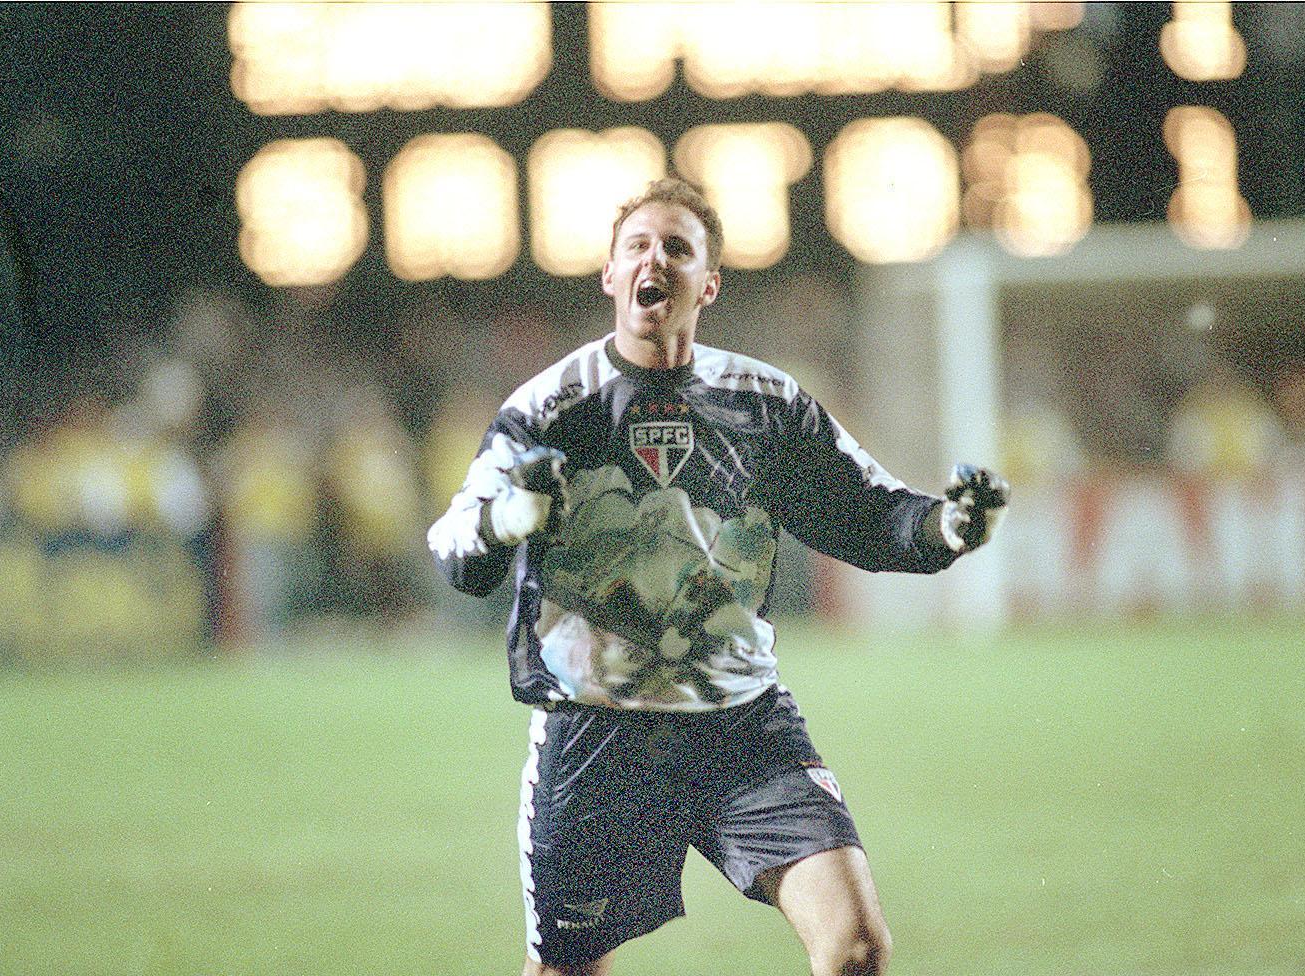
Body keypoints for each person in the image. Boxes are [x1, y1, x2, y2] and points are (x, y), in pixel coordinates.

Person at [427, 177, 1009, 976]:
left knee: (857, 947)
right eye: (637, 246)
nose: (654, 260)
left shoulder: (763, 403)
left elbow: (867, 513)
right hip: (601, 734)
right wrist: (507, 519)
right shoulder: (550, 408)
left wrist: (949, 527)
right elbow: (455, 549)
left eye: (677, 247)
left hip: (742, 725)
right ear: (609, 275)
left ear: (708, 284)